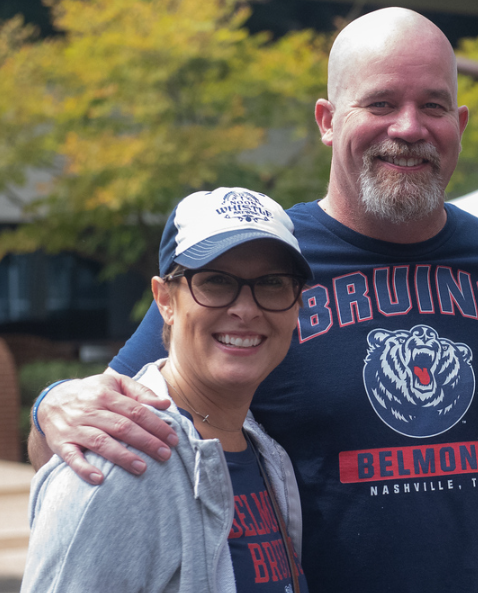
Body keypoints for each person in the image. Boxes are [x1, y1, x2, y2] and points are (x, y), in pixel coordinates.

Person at [25, 8, 478, 591]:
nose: (409, 127)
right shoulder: (258, 270)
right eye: (382, 103)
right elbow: (106, 428)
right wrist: (51, 405)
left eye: (433, 106)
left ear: (459, 123)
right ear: (328, 119)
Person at [22, 187, 311, 592]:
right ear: (165, 300)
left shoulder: (262, 453)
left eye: (272, 283)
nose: (246, 309)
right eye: (215, 281)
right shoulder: (120, 460)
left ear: (298, 305)